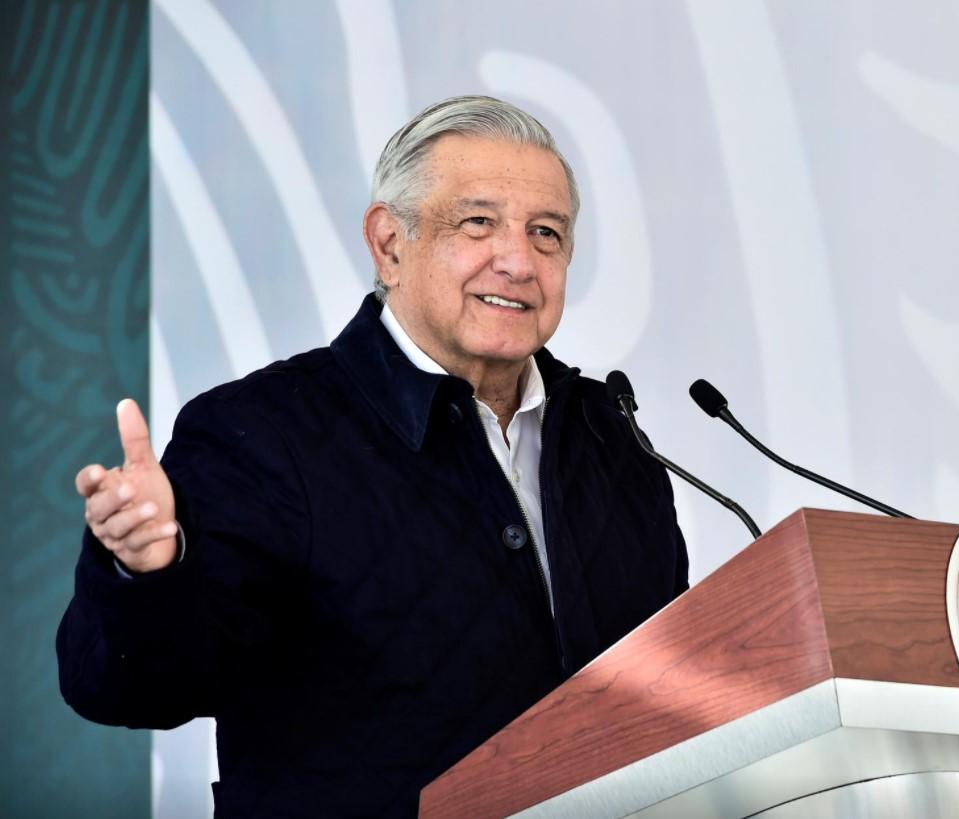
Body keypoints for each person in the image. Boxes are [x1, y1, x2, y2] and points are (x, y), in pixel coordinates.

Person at [57, 96, 689, 817]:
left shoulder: (613, 439)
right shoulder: (261, 431)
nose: (518, 260)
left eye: (546, 233)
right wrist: (145, 573)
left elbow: (666, 694)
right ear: (389, 243)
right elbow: (126, 686)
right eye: (478, 222)